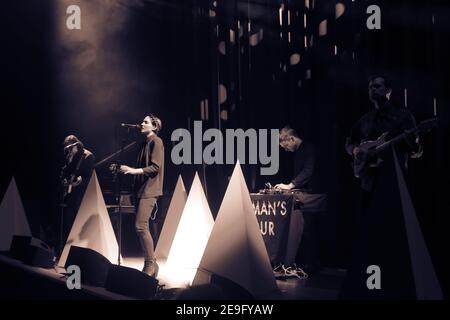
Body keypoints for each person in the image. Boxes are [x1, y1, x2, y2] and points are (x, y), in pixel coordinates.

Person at [341, 75, 423, 298]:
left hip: (395, 186)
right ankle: (370, 284)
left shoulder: (403, 117)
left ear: (388, 90)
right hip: (369, 183)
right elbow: (349, 141)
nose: (372, 89)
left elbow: (417, 151)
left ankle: (393, 284)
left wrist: (409, 140)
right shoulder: (365, 120)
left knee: (394, 236)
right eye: (369, 86)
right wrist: (356, 151)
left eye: (377, 86)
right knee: (369, 234)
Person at [120, 114, 164, 278]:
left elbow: (155, 167)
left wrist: (133, 170)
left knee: (140, 226)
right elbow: (140, 168)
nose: (141, 124)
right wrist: (124, 169)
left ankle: (150, 263)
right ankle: (151, 263)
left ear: (154, 127)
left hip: (150, 191)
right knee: (139, 228)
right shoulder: (144, 143)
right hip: (139, 190)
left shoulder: (156, 142)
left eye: (145, 122)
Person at [275, 126, 322, 275]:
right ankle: (301, 262)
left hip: (315, 195)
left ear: (292, 138)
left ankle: (312, 264)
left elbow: (308, 171)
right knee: (303, 230)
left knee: (310, 230)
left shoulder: (309, 149)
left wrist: (290, 185)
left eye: (286, 146)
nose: (286, 150)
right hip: (305, 194)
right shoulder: (298, 152)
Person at [59, 135, 95, 254]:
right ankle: (66, 250)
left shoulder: (87, 156)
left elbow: (89, 179)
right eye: (67, 149)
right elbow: (65, 172)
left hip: (82, 196)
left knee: (78, 222)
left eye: (70, 148)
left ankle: (78, 251)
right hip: (70, 195)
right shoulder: (70, 156)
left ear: (76, 145)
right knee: (67, 223)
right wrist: (64, 179)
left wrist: (79, 183)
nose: (68, 151)